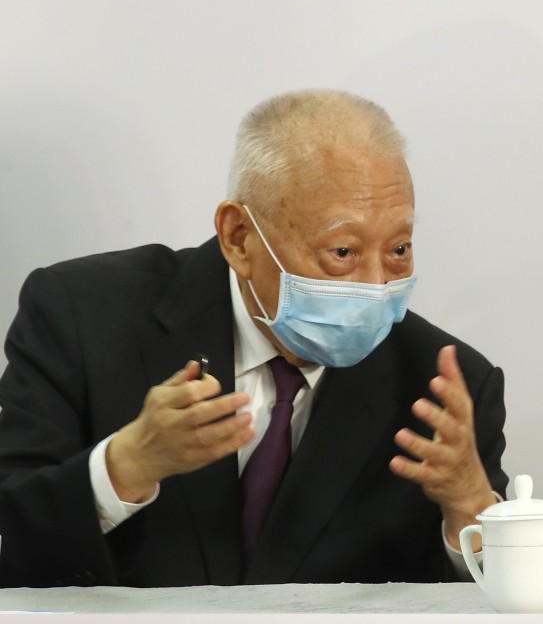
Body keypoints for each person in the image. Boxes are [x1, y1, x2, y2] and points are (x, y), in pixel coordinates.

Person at [0, 89, 507, 587]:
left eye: (399, 248)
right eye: (343, 252)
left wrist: (470, 509)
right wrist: (125, 466)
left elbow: (505, 598)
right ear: (239, 237)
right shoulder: (81, 316)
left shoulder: (443, 387)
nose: (377, 286)